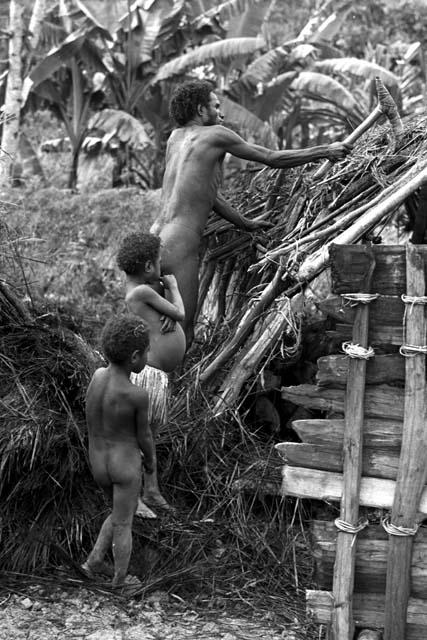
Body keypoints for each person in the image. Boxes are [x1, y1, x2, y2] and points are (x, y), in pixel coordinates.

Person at [150, 79, 353, 346]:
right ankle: (171, 387)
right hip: (179, 246)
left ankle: (145, 381)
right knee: (183, 330)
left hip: (153, 240)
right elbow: (271, 157)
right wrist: (325, 151)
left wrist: (246, 223)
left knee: (154, 327)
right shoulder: (217, 135)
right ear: (201, 110)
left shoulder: (174, 138)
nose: (221, 113)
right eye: (216, 106)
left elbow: (209, 196)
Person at [82, 313, 154, 589]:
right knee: (124, 523)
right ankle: (121, 581)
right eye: (147, 352)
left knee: (118, 512)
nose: (148, 357)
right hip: (124, 467)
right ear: (135, 357)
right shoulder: (136, 395)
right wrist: (150, 460)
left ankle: (94, 561)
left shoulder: (97, 377)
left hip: (98, 463)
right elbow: (144, 435)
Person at [117, 231, 185, 515]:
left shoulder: (138, 291)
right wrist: (173, 286)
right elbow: (181, 313)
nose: (160, 269)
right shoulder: (143, 292)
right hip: (150, 375)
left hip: (155, 376)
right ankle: (135, 496)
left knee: (146, 437)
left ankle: (151, 490)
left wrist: (166, 308)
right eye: (157, 263)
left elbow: (163, 315)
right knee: (140, 439)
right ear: (147, 267)